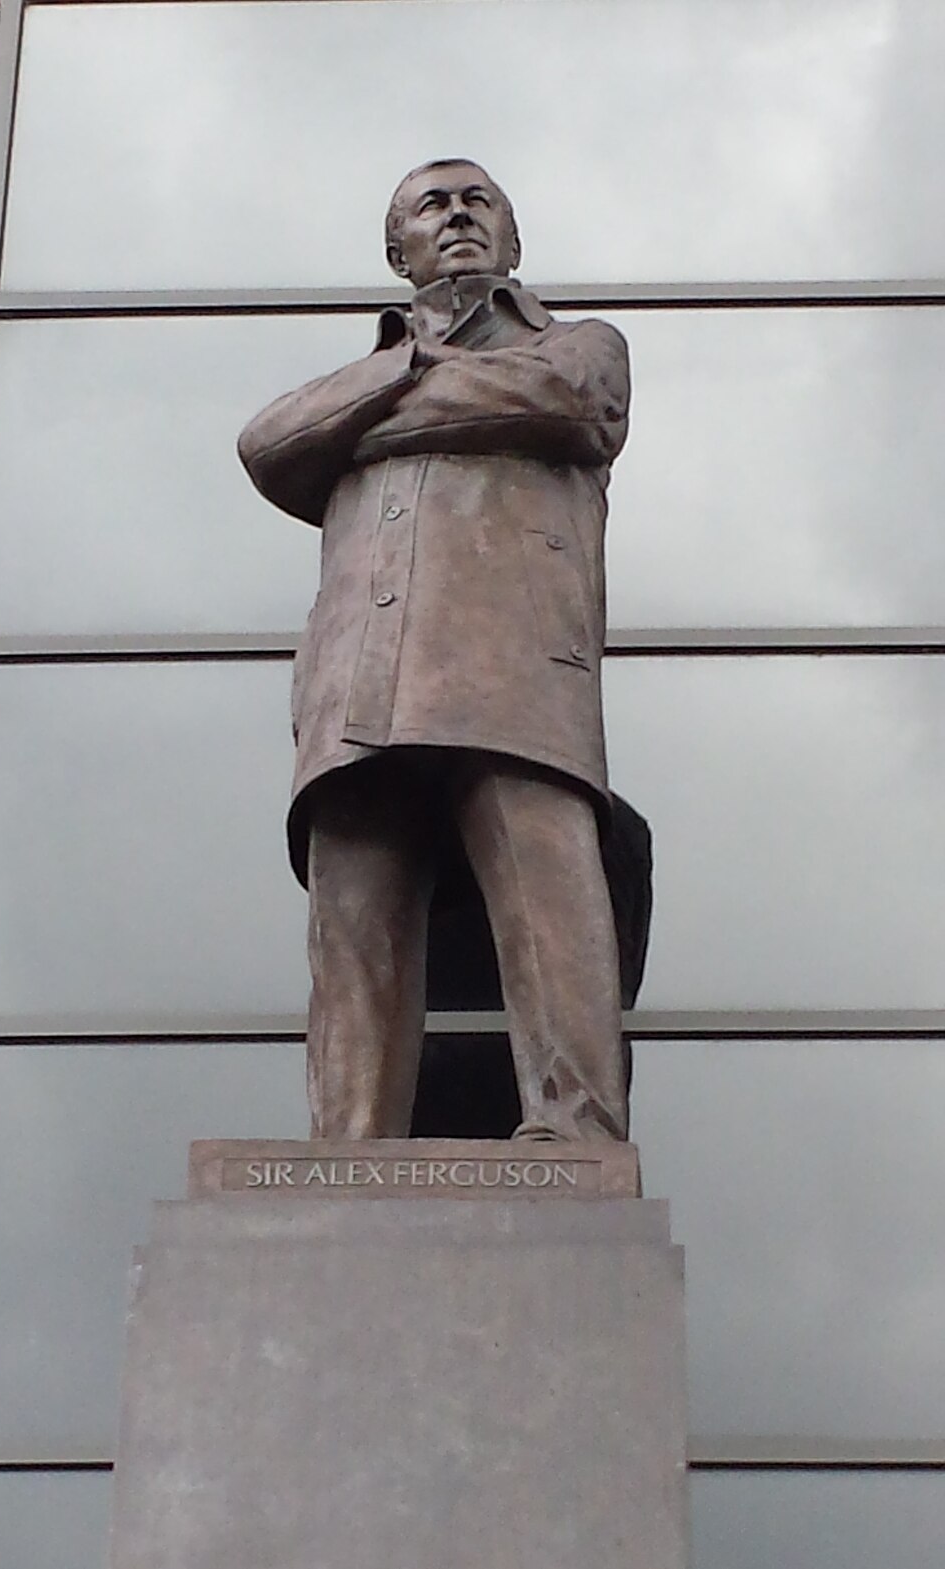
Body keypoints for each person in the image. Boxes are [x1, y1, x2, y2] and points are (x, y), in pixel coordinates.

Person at [238, 159, 634, 1142]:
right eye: (432, 205)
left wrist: (366, 423)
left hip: (515, 666)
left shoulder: (579, 343)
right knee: (352, 931)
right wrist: (406, 369)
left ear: (511, 237)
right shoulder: (369, 368)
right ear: (396, 250)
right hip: (361, 683)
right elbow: (267, 443)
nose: (457, 217)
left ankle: (577, 1131)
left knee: (548, 901)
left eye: (478, 201)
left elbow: (566, 402)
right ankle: (348, 1152)